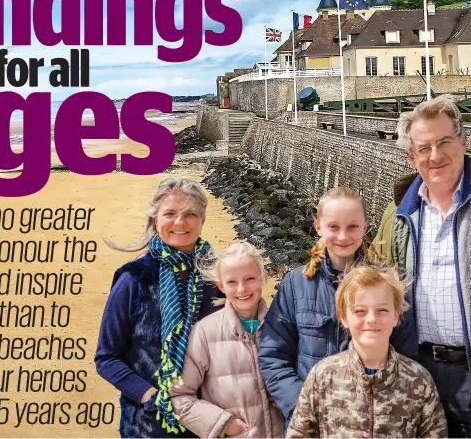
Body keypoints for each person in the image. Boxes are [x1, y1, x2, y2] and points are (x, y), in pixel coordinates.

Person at [258, 186, 418, 430]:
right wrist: (301, 404)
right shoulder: (296, 283)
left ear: (365, 228)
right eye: (333, 227)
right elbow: (273, 354)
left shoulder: (388, 284)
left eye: (353, 227)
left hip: (368, 424)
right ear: (318, 226)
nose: (343, 237)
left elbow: (407, 358)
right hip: (309, 423)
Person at [372, 95, 470, 437]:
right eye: (424, 147)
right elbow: (373, 278)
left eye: (444, 142)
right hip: (415, 370)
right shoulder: (397, 216)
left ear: (463, 140)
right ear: (411, 157)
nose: (436, 155)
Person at [94, 178, 223, 438]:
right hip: (149, 425)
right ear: (156, 219)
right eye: (170, 214)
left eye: (190, 214)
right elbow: (106, 358)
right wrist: (152, 398)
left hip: (211, 421)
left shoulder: (219, 278)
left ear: (202, 221)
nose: (180, 222)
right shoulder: (135, 279)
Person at [286, 264, 447, 438]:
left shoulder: (419, 380)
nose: (371, 319)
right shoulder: (322, 376)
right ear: (343, 317)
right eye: (360, 311)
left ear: (396, 316)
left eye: (382, 310)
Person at [169, 242, 284, 438]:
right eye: (232, 282)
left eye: (250, 279)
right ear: (221, 285)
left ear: (263, 278)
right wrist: (225, 424)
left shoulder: (284, 327)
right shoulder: (204, 333)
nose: (242, 289)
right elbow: (178, 396)